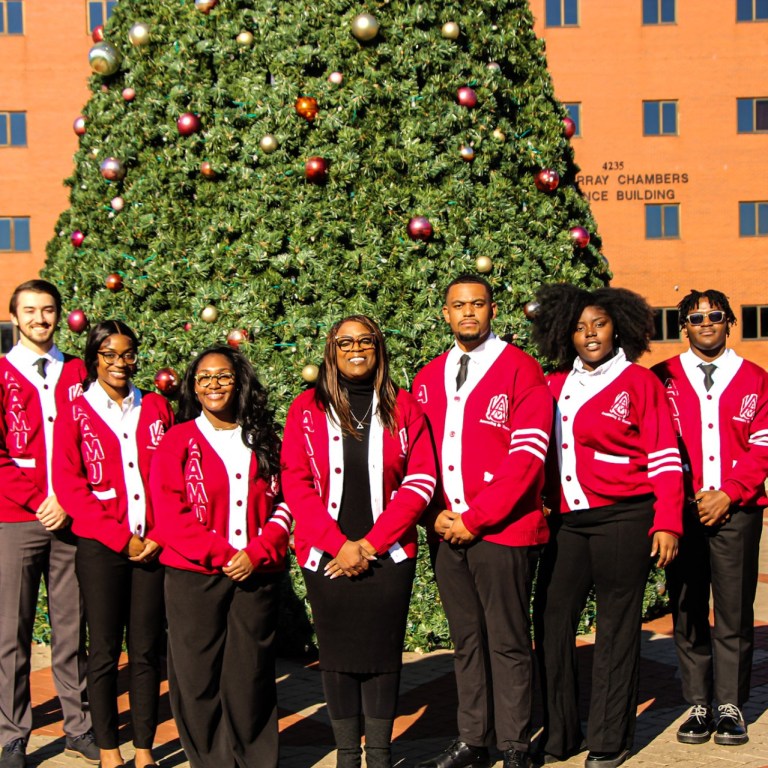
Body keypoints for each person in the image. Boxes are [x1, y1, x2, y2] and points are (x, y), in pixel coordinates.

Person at [530, 284, 684, 768]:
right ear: (564, 335)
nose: (589, 334)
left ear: (616, 326)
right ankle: (560, 734)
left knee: (617, 629)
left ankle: (610, 739)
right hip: (568, 522)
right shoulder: (554, 385)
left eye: (598, 324)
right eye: (578, 327)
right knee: (552, 622)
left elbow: (664, 459)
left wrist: (668, 522)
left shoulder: (640, 383)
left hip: (626, 516)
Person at [281, 315, 436, 768]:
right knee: (337, 655)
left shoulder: (404, 406)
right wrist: (337, 544)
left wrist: (368, 545)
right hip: (324, 554)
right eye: (345, 342)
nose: (355, 349)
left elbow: (421, 479)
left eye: (364, 341)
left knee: (383, 654)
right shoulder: (305, 408)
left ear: (378, 348)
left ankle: (382, 756)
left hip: (388, 554)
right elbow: (295, 481)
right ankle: (348, 755)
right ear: (331, 349)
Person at [412, 275, 552, 768]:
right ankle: (474, 738)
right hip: (446, 529)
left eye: (477, 304)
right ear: (445, 314)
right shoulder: (427, 376)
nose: (467, 312)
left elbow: (528, 456)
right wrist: (435, 516)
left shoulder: (521, 369)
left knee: (508, 639)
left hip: (502, 530)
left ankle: (514, 745)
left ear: (493, 310)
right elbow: (416, 457)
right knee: (467, 640)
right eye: (458, 305)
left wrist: (477, 518)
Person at [150, 345, 290, 768]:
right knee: (196, 678)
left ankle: (256, 759)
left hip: (256, 572)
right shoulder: (178, 439)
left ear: (240, 380)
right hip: (195, 575)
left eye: (224, 376)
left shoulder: (263, 436)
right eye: (205, 377)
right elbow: (169, 511)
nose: (214, 384)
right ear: (193, 387)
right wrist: (225, 554)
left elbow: (287, 502)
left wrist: (258, 552)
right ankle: (211, 760)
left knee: (252, 676)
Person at [53, 321, 173, 768]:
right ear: (94, 358)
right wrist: (121, 539)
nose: (120, 363)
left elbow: (173, 476)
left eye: (127, 354)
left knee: (145, 650)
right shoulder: (75, 413)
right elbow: (70, 487)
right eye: (109, 354)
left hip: (153, 547)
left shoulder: (158, 406)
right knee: (103, 650)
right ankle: (108, 749)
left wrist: (158, 535)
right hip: (104, 548)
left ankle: (143, 748)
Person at [652, 289, 768, 747]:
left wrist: (730, 494)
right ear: (683, 326)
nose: (706, 323)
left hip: (736, 511)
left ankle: (730, 705)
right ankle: (698, 704)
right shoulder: (661, 378)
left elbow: (763, 447)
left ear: (729, 322)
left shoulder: (756, 379)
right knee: (687, 607)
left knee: (735, 610)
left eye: (715, 316)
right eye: (695, 317)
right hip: (681, 511)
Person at [0, 279, 98, 768]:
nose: (40, 318)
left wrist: (72, 502)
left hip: (75, 520)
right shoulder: (0, 373)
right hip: (18, 518)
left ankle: (78, 726)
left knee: (70, 626)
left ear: (60, 315)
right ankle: (13, 733)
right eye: (30, 311)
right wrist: (41, 500)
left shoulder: (80, 371)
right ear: (15, 317)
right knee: (11, 630)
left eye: (48, 310)